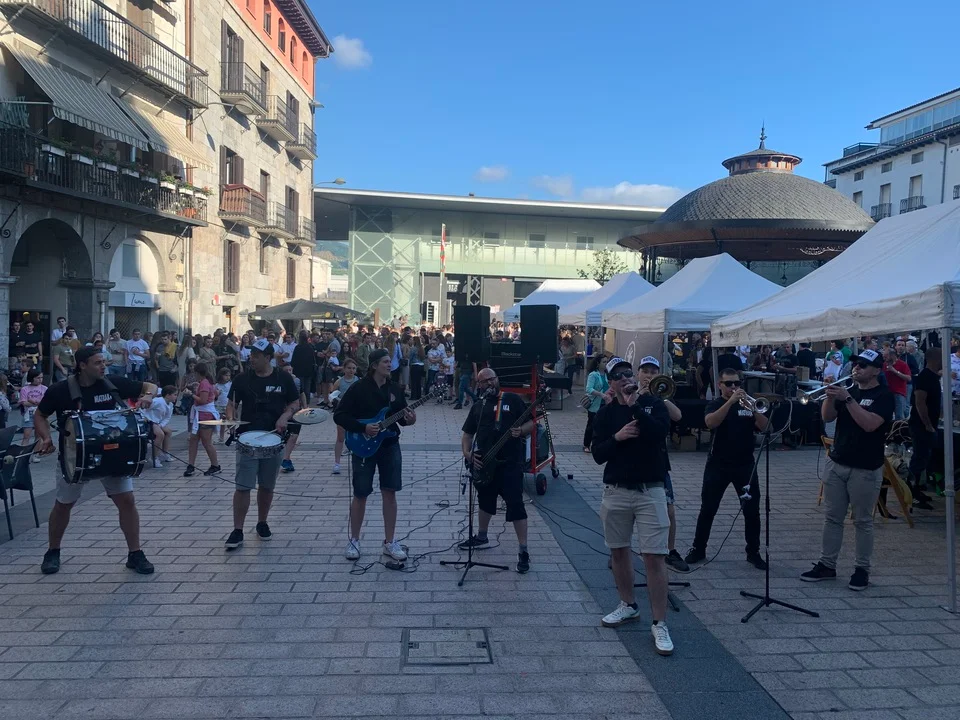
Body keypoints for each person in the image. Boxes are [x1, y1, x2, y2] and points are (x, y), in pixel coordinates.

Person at [34, 347, 157, 575]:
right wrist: (45, 438)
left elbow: (149, 386)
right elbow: (40, 414)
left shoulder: (112, 383)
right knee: (63, 505)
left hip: (113, 454)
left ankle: (135, 553)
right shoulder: (60, 390)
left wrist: (148, 396)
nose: (103, 366)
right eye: (98, 363)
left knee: (127, 501)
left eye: (104, 362)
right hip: (75, 458)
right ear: (82, 365)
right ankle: (53, 551)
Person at [590, 357, 673, 656]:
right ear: (611, 383)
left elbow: (659, 434)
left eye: (628, 373)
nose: (625, 378)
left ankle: (659, 622)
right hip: (616, 490)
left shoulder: (653, 404)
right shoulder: (606, 413)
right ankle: (628, 604)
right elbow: (597, 453)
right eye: (618, 376)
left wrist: (636, 405)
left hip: (650, 490)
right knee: (619, 551)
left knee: (654, 557)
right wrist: (617, 437)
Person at [801, 349, 894, 591]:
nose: (857, 368)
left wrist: (848, 399)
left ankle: (862, 569)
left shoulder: (884, 395)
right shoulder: (849, 389)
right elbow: (827, 417)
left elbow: (870, 425)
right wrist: (831, 395)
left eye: (863, 365)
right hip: (838, 462)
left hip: (865, 467)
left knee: (862, 521)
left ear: (876, 370)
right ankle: (827, 564)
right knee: (832, 517)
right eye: (856, 364)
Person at [334, 348, 416, 562]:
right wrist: (363, 428)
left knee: (390, 492)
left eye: (390, 362)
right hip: (363, 447)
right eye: (386, 362)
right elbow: (340, 416)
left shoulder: (395, 388)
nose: (390, 365)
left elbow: (402, 418)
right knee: (360, 493)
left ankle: (390, 541)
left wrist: (410, 419)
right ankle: (354, 540)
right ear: (374, 365)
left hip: (389, 445)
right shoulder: (358, 388)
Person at [685, 368, 768, 570]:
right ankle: (698, 548)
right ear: (719, 385)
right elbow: (710, 423)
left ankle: (753, 552)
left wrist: (754, 409)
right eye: (729, 384)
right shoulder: (715, 404)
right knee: (708, 509)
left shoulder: (748, 405)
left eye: (737, 383)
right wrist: (730, 402)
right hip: (718, 464)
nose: (733, 387)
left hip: (745, 465)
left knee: (752, 511)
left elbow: (767, 428)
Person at [222, 339, 298, 549]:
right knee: (243, 486)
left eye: (256, 355)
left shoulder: (283, 377)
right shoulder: (241, 379)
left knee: (267, 485)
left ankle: (262, 522)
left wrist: (285, 416)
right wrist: (231, 420)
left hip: (274, 439)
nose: (251, 358)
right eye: (251, 354)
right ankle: (237, 530)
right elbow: (231, 404)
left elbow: (295, 402)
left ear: (268, 357)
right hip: (247, 439)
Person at [459, 368, 534, 573]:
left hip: (510, 463)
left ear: (497, 379)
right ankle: (481, 536)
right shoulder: (479, 406)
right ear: (479, 385)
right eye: (484, 381)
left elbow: (531, 422)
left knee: (515, 505)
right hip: (485, 464)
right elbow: (467, 434)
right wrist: (467, 454)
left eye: (491, 379)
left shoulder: (512, 399)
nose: (489, 383)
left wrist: (521, 430)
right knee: (485, 500)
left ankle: (523, 550)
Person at [634, 357, 689, 572]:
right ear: (638, 373)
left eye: (653, 372)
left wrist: (659, 396)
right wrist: (639, 396)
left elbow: (678, 416)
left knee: (669, 510)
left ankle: (670, 550)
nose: (649, 375)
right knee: (628, 509)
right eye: (645, 371)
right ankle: (620, 551)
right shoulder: (631, 394)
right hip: (631, 460)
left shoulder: (661, 397)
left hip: (657, 461)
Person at [907, 347, 941, 510]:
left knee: (924, 457)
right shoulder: (924, 377)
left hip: (929, 425)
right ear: (935, 359)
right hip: (921, 426)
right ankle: (911, 492)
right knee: (919, 458)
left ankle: (917, 489)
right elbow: (920, 401)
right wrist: (927, 424)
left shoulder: (933, 377)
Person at [183, 362, 220, 477]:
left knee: (206, 442)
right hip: (200, 415)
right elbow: (214, 394)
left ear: (197, 373)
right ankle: (191, 465)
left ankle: (215, 465)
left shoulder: (204, 383)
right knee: (193, 439)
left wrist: (191, 394)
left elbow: (203, 400)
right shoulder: (206, 382)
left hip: (205, 416)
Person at [331, 358, 360, 475]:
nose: (351, 370)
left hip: (355, 413)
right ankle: (337, 463)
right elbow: (332, 396)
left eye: (353, 368)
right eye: (349, 368)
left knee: (356, 437)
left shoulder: (358, 381)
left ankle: (357, 461)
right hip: (342, 412)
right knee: (340, 437)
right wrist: (337, 400)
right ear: (344, 369)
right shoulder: (339, 382)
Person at [582, 354, 610, 453]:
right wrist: (601, 394)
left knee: (603, 425)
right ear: (598, 363)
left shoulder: (607, 375)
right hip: (595, 404)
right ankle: (586, 444)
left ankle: (599, 443)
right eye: (604, 362)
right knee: (591, 424)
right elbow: (589, 389)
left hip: (605, 404)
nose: (606, 364)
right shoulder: (593, 375)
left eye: (607, 362)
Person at [19, 368, 47, 460]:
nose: (40, 380)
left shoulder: (44, 388)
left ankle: (35, 454)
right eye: (38, 378)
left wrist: (32, 401)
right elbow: (24, 402)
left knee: (38, 435)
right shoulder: (25, 389)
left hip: (40, 414)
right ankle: (23, 455)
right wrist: (35, 402)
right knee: (26, 435)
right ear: (32, 378)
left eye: (41, 378)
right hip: (29, 413)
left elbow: (46, 402)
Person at [146, 385, 177, 468]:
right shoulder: (157, 401)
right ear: (168, 395)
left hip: (158, 422)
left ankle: (165, 453)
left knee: (168, 431)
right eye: (174, 394)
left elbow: (167, 417)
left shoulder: (170, 405)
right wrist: (148, 419)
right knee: (160, 435)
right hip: (149, 421)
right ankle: (154, 457)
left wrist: (160, 425)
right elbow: (145, 408)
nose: (176, 397)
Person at [882, 347, 910, 421]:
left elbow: (908, 378)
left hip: (898, 392)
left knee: (899, 415)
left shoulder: (902, 364)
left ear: (892, 355)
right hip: (887, 392)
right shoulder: (884, 365)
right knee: (886, 414)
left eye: (886, 357)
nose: (884, 359)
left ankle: (900, 427)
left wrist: (895, 371)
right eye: (884, 357)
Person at [291, 330, 317, 408]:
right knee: (307, 388)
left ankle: (300, 403)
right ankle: (307, 403)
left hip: (299, 370)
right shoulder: (310, 347)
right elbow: (313, 359)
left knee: (300, 388)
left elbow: (294, 360)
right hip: (308, 371)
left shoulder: (297, 347)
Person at [214, 367, 233, 443]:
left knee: (230, 422)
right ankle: (221, 438)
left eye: (229, 375)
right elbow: (215, 396)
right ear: (221, 375)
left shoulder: (230, 384)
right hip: (219, 405)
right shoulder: (217, 385)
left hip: (228, 405)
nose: (228, 377)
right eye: (226, 375)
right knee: (222, 422)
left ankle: (232, 437)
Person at [409, 336, 425, 400]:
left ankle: (414, 395)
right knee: (418, 381)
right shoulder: (421, 348)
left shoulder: (413, 348)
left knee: (414, 381)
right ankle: (418, 395)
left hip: (415, 365)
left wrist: (409, 364)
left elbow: (410, 357)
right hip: (421, 365)